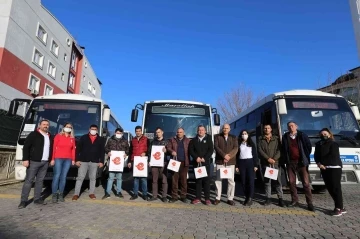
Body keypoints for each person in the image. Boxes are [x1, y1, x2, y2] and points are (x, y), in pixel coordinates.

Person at [18, 119, 53, 209]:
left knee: (40, 181)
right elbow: (26, 147)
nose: (46, 126)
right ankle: (23, 201)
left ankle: (37, 199)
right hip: (34, 161)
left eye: (47, 125)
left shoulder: (49, 136)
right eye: (44, 124)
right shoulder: (34, 134)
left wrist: (50, 160)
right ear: (39, 125)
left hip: (45, 162)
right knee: (29, 181)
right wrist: (25, 159)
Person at [282, 121, 314, 211]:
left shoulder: (302, 135)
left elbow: (308, 147)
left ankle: (310, 203)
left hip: (301, 163)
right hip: (290, 162)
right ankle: (294, 200)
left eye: (292, 126)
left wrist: (304, 157)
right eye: (289, 126)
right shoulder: (285, 137)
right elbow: (284, 149)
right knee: (292, 183)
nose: (290, 127)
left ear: (296, 126)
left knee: (306, 183)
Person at [314, 128, 346, 216]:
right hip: (324, 168)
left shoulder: (333, 143)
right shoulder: (318, 144)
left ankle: (338, 208)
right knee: (330, 188)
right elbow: (316, 155)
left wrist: (323, 163)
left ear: (329, 134)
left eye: (325, 134)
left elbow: (333, 155)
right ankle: (341, 207)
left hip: (334, 167)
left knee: (336, 188)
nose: (323, 135)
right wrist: (319, 163)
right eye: (321, 134)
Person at [72, 125, 104, 201]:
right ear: (89, 129)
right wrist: (77, 160)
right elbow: (78, 149)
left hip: (94, 161)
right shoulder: (83, 137)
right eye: (92, 129)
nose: (93, 130)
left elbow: (102, 151)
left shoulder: (100, 139)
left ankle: (91, 193)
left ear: (97, 130)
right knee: (80, 178)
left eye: (95, 129)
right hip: (83, 160)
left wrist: (101, 161)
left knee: (93, 178)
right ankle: (76, 194)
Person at [257, 124, 285, 207]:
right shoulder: (260, 139)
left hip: (275, 163)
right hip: (265, 163)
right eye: (265, 128)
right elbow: (259, 150)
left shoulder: (276, 139)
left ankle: (280, 199)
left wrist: (274, 159)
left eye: (268, 128)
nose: (266, 129)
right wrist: (267, 159)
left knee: (278, 182)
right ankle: (268, 198)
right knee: (267, 182)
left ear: (271, 129)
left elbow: (280, 150)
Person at [50, 123, 76, 203]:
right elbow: (54, 148)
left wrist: (73, 159)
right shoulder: (58, 136)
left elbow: (73, 150)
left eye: (70, 127)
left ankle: (61, 194)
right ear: (63, 128)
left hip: (68, 159)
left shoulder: (72, 138)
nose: (68, 128)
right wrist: (52, 159)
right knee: (57, 175)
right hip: (58, 158)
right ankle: (54, 194)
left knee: (63, 177)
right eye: (67, 127)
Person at [214, 124, 238, 206]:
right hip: (220, 161)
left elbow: (236, 148)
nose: (225, 129)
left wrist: (229, 156)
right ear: (222, 129)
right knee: (218, 180)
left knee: (231, 181)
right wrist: (224, 155)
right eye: (224, 128)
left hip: (230, 162)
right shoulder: (217, 136)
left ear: (230, 129)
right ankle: (217, 198)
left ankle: (230, 198)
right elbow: (216, 147)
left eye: (227, 128)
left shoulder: (234, 137)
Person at [189, 125, 214, 205]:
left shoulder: (209, 138)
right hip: (197, 163)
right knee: (198, 181)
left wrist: (205, 158)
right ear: (197, 131)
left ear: (205, 131)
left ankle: (207, 199)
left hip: (205, 163)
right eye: (199, 130)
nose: (201, 131)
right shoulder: (193, 140)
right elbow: (191, 150)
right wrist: (196, 157)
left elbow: (211, 150)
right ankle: (198, 198)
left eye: (202, 130)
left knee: (206, 181)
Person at [103, 128, 129, 199]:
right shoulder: (110, 140)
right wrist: (108, 152)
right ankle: (107, 192)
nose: (118, 134)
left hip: (120, 163)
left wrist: (126, 154)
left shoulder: (125, 141)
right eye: (117, 133)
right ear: (115, 133)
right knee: (110, 177)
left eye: (120, 133)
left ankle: (118, 192)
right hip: (112, 162)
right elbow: (106, 148)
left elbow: (128, 149)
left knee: (119, 178)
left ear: (122, 134)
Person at [167, 127, 191, 203]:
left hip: (184, 163)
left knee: (184, 181)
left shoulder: (188, 141)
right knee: (174, 180)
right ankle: (174, 196)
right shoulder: (172, 140)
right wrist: (171, 151)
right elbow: (168, 147)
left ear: (184, 133)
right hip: (175, 162)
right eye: (178, 132)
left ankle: (183, 196)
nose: (179, 133)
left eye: (180, 132)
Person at [235, 130, 258, 206]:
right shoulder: (239, 144)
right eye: (242, 134)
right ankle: (246, 197)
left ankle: (250, 198)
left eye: (245, 134)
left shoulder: (251, 144)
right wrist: (237, 166)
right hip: (242, 163)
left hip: (250, 163)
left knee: (251, 181)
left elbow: (255, 155)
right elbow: (237, 156)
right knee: (243, 181)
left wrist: (255, 165)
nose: (244, 135)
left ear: (248, 135)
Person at [128, 126, 149, 200]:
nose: (138, 132)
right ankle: (135, 194)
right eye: (136, 131)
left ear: (141, 131)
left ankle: (145, 194)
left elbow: (149, 150)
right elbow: (130, 151)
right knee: (135, 179)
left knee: (143, 179)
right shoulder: (133, 140)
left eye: (139, 131)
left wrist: (145, 153)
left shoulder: (146, 139)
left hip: (143, 161)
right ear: (135, 132)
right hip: (135, 161)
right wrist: (129, 161)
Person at [148, 127, 168, 202]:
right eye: (156, 132)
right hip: (154, 163)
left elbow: (169, 152)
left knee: (164, 180)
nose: (157, 134)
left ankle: (164, 196)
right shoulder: (152, 142)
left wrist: (166, 151)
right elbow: (149, 153)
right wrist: (149, 161)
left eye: (159, 132)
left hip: (163, 163)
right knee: (154, 180)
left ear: (162, 132)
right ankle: (154, 196)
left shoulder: (166, 142)